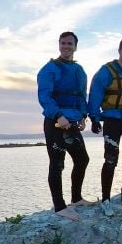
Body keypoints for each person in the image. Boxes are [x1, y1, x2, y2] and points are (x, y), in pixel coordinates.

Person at [36, 31, 92, 220]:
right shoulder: (49, 69)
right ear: (59, 45)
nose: (66, 46)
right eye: (63, 43)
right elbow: (44, 96)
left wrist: (83, 115)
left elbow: (81, 96)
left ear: (75, 47)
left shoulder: (79, 71)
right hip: (55, 123)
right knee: (57, 164)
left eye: (70, 43)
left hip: (73, 122)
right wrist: (58, 115)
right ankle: (59, 206)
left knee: (82, 159)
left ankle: (76, 198)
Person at [88, 36, 122, 208]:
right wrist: (94, 118)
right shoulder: (106, 71)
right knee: (111, 159)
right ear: (119, 50)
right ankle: (105, 200)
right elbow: (95, 93)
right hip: (112, 120)